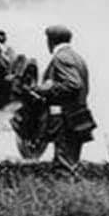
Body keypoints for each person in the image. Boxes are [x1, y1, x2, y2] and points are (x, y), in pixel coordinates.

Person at [37, 25, 96, 170]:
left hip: (65, 118)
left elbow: (73, 85)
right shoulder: (76, 57)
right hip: (77, 115)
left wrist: (48, 88)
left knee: (63, 166)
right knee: (70, 162)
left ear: (51, 41)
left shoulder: (61, 57)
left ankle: (65, 188)